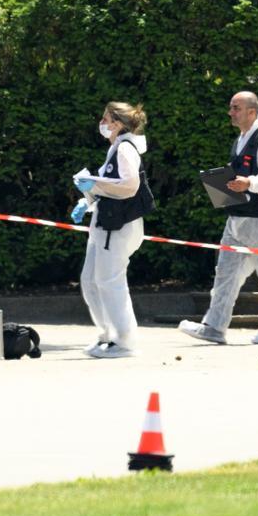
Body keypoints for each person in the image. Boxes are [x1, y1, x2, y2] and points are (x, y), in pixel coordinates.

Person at [178, 91, 258, 346]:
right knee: (225, 274)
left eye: (236, 108)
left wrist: (250, 183)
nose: (231, 112)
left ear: (252, 112)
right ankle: (214, 326)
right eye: (231, 107)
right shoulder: (241, 139)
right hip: (237, 218)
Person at [71, 102, 151, 359]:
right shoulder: (118, 148)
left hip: (118, 227)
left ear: (117, 123)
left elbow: (129, 186)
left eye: (105, 119)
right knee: (91, 281)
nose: (102, 123)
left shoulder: (125, 149)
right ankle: (109, 335)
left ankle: (125, 341)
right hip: (107, 224)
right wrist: (90, 199)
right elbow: (114, 187)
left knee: (109, 282)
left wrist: (94, 183)